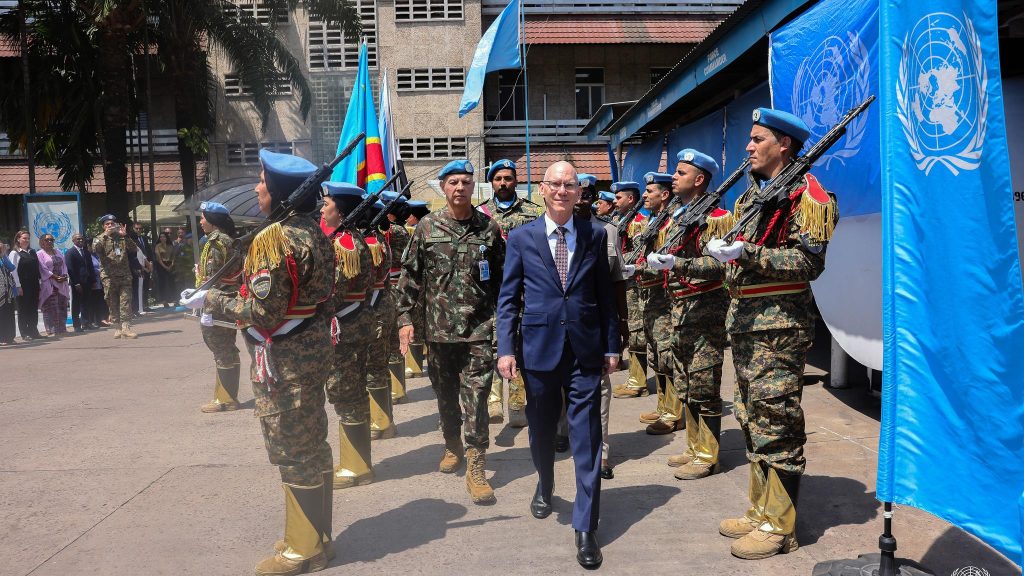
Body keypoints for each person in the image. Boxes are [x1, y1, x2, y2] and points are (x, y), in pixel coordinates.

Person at [186, 149, 336, 574]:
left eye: (262, 182)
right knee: (314, 442)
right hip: (312, 353)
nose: (256, 188)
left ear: (280, 191)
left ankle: (301, 548)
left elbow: (261, 312)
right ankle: (320, 537)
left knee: (292, 449)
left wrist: (211, 298)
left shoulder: (278, 239)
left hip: (285, 363)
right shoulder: (317, 233)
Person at [697, 109, 836, 559]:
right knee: (751, 416)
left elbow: (808, 263)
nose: (749, 146)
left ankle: (780, 525)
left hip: (779, 328)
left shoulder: (807, 196)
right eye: (749, 138)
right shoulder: (752, 198)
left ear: (785, 145)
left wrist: (749, 252)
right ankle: (760, 509)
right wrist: (724, 252)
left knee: (777, 420)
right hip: (746, 326)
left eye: (758, 139)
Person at [496, 161, 619, 568]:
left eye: (571, 185)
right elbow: (508, 298)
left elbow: (606, 295)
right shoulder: (521, 237)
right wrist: (506, 349)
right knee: (542, 431)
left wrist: (612, 345)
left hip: (585, 351)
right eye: (556, 184)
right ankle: (545, 483)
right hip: (538, 350)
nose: (563, 191)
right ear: (543, 190)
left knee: (586, 436)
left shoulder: (595, 234)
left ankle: (586, 526)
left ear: (580, 192)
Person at [396, 159, 505, 505]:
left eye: (466, 182)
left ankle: (476, 464)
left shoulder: (488, 229)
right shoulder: (427, 227)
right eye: (453, 182)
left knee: (476, 397)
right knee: (445, 396)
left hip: (479, 329)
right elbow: (409, 276)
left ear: (474, 188)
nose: (460, 188)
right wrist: (404, 319)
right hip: (439, 332)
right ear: (443, 188)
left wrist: (505, 323)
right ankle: (451, 443)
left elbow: (503, 279)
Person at [646, 149, 732, 481]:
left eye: (680, 173)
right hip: (680, 311)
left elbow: (718, 266)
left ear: (699, 180)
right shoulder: (679, 217)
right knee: (687, 383)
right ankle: (695, 446)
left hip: (704, 313)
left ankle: (708, 454)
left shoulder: (717, 217)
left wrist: (677, 264)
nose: (673, 178)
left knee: (704, 385)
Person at [574, 174, 631, 480]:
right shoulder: (550, 232)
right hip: (561, 327)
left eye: (587, 196)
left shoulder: (608, 231)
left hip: (596, 325)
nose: (581, 201)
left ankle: (602, 453)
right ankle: (563, 433)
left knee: (600, 391)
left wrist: (622, 323)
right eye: (577, 194)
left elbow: (618, 280)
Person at [478, 159, 543, 426]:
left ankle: (517, 403)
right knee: (491, 342)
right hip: (490, 290)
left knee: (520, 342)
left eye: (508, 178)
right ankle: (494, 401)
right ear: (491, 183)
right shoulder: (479, 213)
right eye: (498, 179)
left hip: (524, 288)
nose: (503, 183)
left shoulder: (534, 212)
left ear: (516, 181)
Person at [321, 181, 377, 490]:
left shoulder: (344, 244)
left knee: (346, 393)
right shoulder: (349, 239)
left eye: (327, 204)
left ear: (341, 210)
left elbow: (333, 293)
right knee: (351, 391)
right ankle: (357, 462)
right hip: (354, 324)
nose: (322, 209)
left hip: (347, 329)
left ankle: (356, 467)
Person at [631, 172, 684, 436]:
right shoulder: (655, 222)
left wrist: (638, 269)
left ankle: (674, 413)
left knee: (666, 356)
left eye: (649, 191)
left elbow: (666, 266)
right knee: (656, 355)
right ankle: (664, 406)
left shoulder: (671, 224)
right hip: (649, 300)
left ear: (664, 195)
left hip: (663, 301)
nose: (644, 196)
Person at [195, 202, 243, 413]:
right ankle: (226, 396)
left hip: (217, 299)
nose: (201, 221)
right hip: (229, 298)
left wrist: (198, 295)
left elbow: (212, 275)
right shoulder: (229, 240)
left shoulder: (215, 242)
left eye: (203, 217)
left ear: (213, 220)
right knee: (228, 347)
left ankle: (224, 399)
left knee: (220, 346)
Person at [608, 182, 649, 398]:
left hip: (633, 285)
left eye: (619, 197)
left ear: (631, 199)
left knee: (635, 331)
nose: (615, 201)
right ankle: (633, 375)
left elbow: (639, 252)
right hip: (618, 282)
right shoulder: (616, 220)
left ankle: (638, 380)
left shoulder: (640, 223)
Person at [92, 215, 139, 339]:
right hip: (109, 277)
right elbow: (95, 249)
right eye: (107, 224)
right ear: (103, 226)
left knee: (126, 302)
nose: (110, 225)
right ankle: (117, 327)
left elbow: (134, 249)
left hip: (124, 275)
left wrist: (126, 235)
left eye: (112, 223)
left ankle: (126, 328)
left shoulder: (122, 238)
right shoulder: (99, 238)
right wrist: (105, 235)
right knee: (112, 302)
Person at [402, 200, 430, 380]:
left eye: (410, 214)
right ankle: (416, 363)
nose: (407, 218)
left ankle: (415, 364)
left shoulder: (417, 230)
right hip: (422, 282)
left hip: (419, 283)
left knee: (417, 321)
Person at [9, 230, 43, 341]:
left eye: (28, 238)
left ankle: (34, 330)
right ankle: (24, 333)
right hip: (22, 285)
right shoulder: (15, 253)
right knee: (23, 309)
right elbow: (13, 271)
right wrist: (18, 286)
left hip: (33, 284)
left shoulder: (32, 252)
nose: (27, 240)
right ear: (18, 239)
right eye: (24, 238)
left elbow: (37, 269)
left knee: (33, 308)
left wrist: (39, 283)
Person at [36, 234, 71, 338]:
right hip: (49, 284)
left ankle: (62, 328)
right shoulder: (39, 254)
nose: (50, 241)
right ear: (42, 242)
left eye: (52, 239)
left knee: (62, 306)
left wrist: (64, 276)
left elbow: (64, 265)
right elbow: (43, 269)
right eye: (47, 240)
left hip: (61, 283)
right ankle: (51, 330)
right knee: (50, 307)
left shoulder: (58, 252)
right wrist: (55, 277)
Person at [65, 233, 95, 332]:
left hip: (87, 282)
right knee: (76, 304)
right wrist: (76, 283)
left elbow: (90, 267)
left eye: (82, 239)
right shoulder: (70, 252)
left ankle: (86, 323)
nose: (81, 241)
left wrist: (93, 280)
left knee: (86, 303)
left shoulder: (86, 252)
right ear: (73, 241)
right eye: (78, 239)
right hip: (77, 283)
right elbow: (70, 269)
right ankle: (76, 325)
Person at [86, 245, 110, 328]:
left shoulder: (97, 255)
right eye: (92, 246)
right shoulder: (87, 255)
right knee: (93, 303)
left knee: (100, 302)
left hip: (101, 281)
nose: (94, 248)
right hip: (93, 282)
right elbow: (90, 269)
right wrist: (93, 280)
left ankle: (100, 320)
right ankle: (92, 321)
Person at [153, 232, 177, 308]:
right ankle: (163, 300)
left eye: (164, 237)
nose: (162, 238)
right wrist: (165, 267)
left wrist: (171, 265)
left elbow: (173, 256)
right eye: (161, 237)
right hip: (161, 265)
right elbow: (158, 258)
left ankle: (173, 299)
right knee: (162, 283)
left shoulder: (170, 246)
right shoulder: (157, 246)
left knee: (171, 282)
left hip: (170, 264)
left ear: (166, 238)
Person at [0, 242, 17, 346]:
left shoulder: (3, 257)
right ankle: (2, 337)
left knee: (9, 314)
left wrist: (3, 254)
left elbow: (11, 267)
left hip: (7, 290)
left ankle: (10, 337)